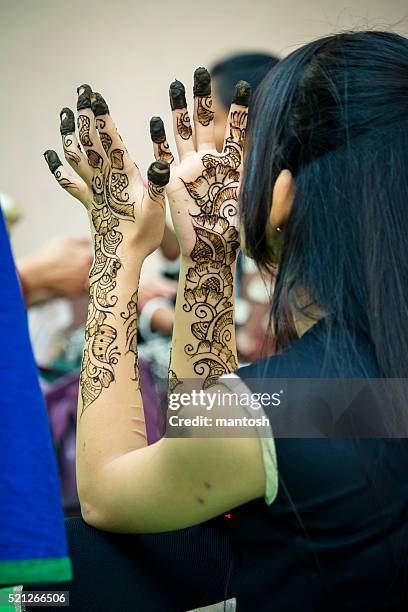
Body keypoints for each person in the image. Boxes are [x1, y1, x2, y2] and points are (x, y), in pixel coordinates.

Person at [35, 30, 408, 611]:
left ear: (283, 193)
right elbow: (199, 425)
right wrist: (206, 252)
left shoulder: (304, 402)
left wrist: (115, 247)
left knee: (35, 574)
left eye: (251, 153)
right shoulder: (371, 382)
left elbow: (109, 491)